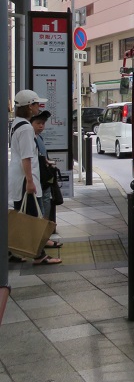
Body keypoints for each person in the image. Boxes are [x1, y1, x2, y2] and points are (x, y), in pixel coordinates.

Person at [8, 90, 61, 265]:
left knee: (22, 216)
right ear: (29, 107)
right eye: (37, 104)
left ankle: (15, 251)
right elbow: (26, 157)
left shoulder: (16, 123)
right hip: (25, 179)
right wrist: (30, 182)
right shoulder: (25, 128)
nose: (39, 107)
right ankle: (39, 255)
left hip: (18, 177)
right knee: (32, 218)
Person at [31, 110, 62, 249]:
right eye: (38, 123)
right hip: (38, 180)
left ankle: (44, 238)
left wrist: (48, 162)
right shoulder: (31, 138)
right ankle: (41, 240)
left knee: (45, 208)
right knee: (41, 210)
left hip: (44, 180)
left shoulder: (39, 138)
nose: (41, 126)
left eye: (43, 124)